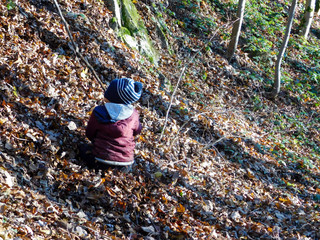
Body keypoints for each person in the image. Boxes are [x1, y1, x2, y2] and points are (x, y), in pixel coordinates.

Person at [79, 78, 143, 171]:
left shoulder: (99, 112)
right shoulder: (134, 114)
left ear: (113, 95)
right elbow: (137, 130)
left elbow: (90, 133)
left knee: (82, 148)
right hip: (126, 164)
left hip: (100, 161)